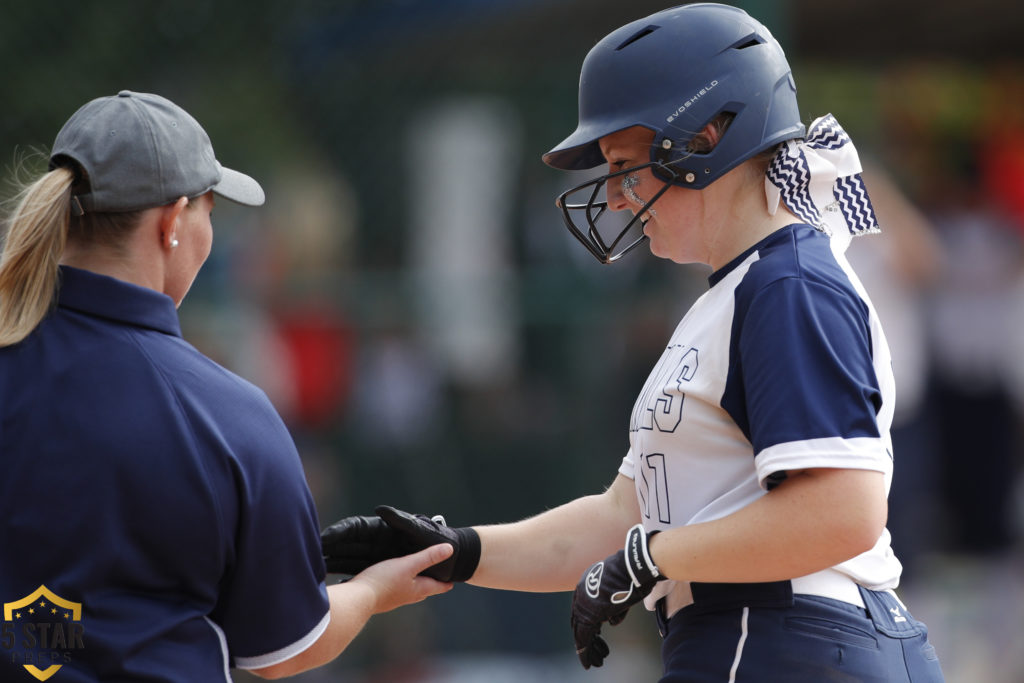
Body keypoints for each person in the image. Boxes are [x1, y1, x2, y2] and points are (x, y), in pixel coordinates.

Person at [321, 4, 945, 681]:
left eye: (625, 164)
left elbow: (840, 513)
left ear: (709, 137)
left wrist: (652, 556)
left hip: (794, 636)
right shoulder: (733, 294)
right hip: (765, 637)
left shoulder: (787, 284)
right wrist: (454, 549)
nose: (615, 197)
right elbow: (622, 519)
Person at [0, 90, 453, 682]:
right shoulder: (225, 413)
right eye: (209, 211)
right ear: (171, 223)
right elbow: (287, 647)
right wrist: (370, 591)